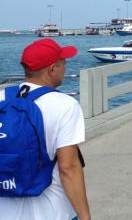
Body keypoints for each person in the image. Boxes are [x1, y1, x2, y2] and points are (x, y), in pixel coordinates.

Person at [0, 38, 91, 220]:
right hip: (53, 211)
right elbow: (68, 167)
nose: (65, 68)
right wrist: (85, 216)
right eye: (63, 64)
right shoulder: (65, 105)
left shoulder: (2, 96)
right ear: (51, 69)